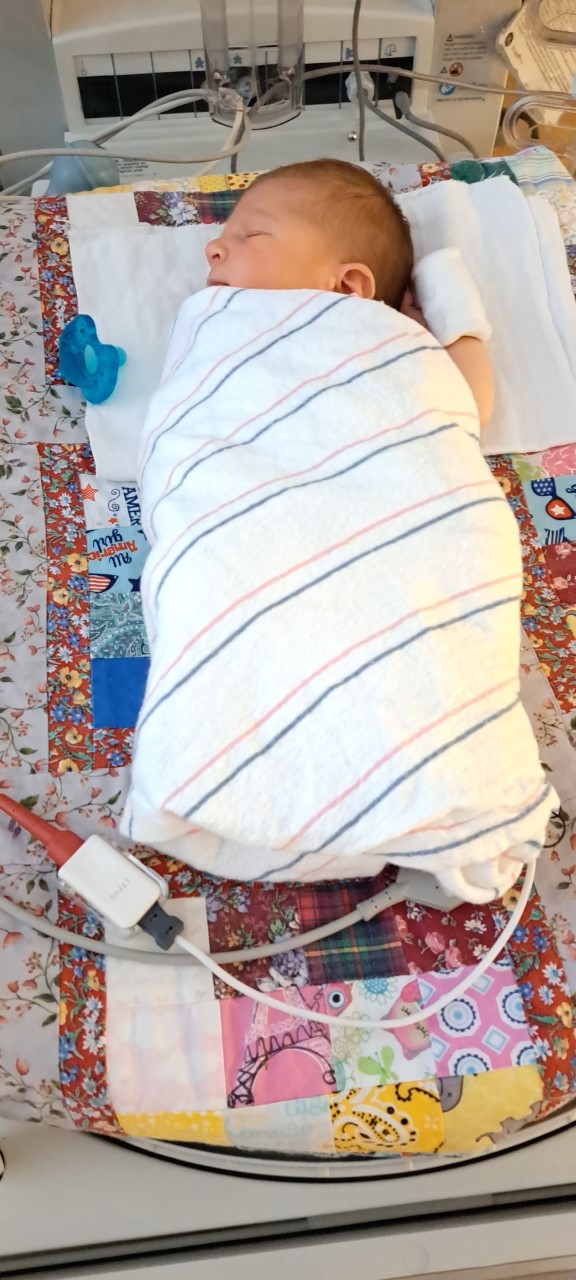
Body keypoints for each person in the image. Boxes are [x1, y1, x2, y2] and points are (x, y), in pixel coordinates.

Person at [205, 159, 495, 426]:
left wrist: (437, 315)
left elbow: (465, 406)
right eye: (221, 237)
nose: (211, 249)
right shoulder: (206, 328)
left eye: (252, 234)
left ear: (346, 287)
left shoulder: (374, 353)